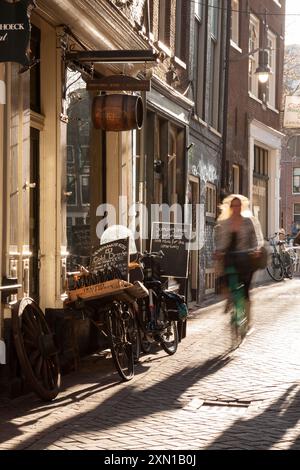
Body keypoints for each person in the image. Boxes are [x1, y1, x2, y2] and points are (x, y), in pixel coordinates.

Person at [214, 194, 264, 333]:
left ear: (242, 207)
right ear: (230, 207)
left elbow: (257, 239)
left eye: (238, 205)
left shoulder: (249, 222)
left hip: (245, 258)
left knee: (246, 291)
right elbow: (219, 240)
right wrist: (218, 251)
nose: (236, 208)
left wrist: (256, 250)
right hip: (229, 257)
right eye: (233, 206)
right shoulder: (225, 223)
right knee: (223, 280)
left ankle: (247, 321)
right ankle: (229, 298)